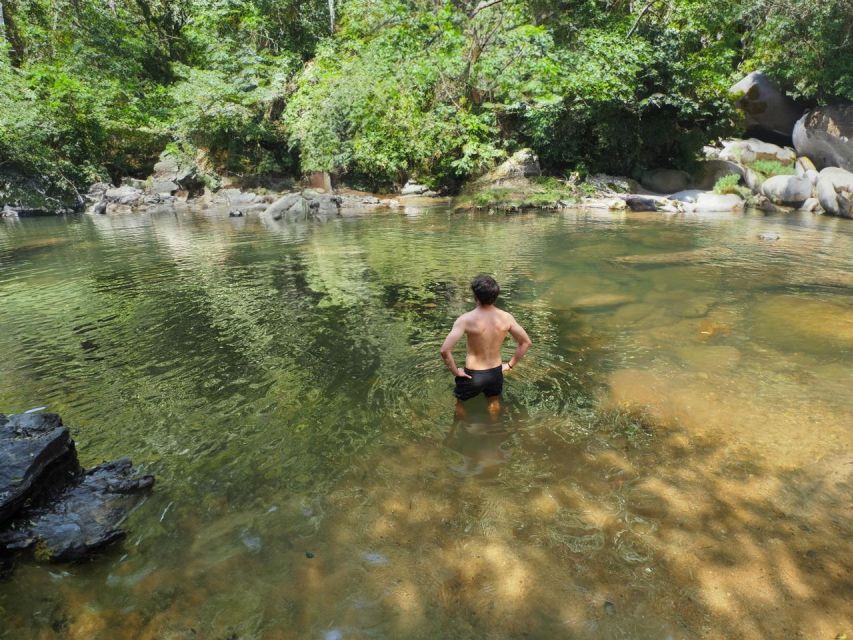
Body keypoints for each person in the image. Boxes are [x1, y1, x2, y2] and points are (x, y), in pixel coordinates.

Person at [439, 275, 532, 416]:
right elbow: (526, 342)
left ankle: (459, 431)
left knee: (460, 402)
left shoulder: (465, 320)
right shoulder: (506, 317)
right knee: (493, 401)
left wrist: (456, 372)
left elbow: (445, 350)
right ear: (496, 295)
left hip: (473, 375)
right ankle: (494, 431)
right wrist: (510, 365)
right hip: (495, 373)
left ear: (475, 295)